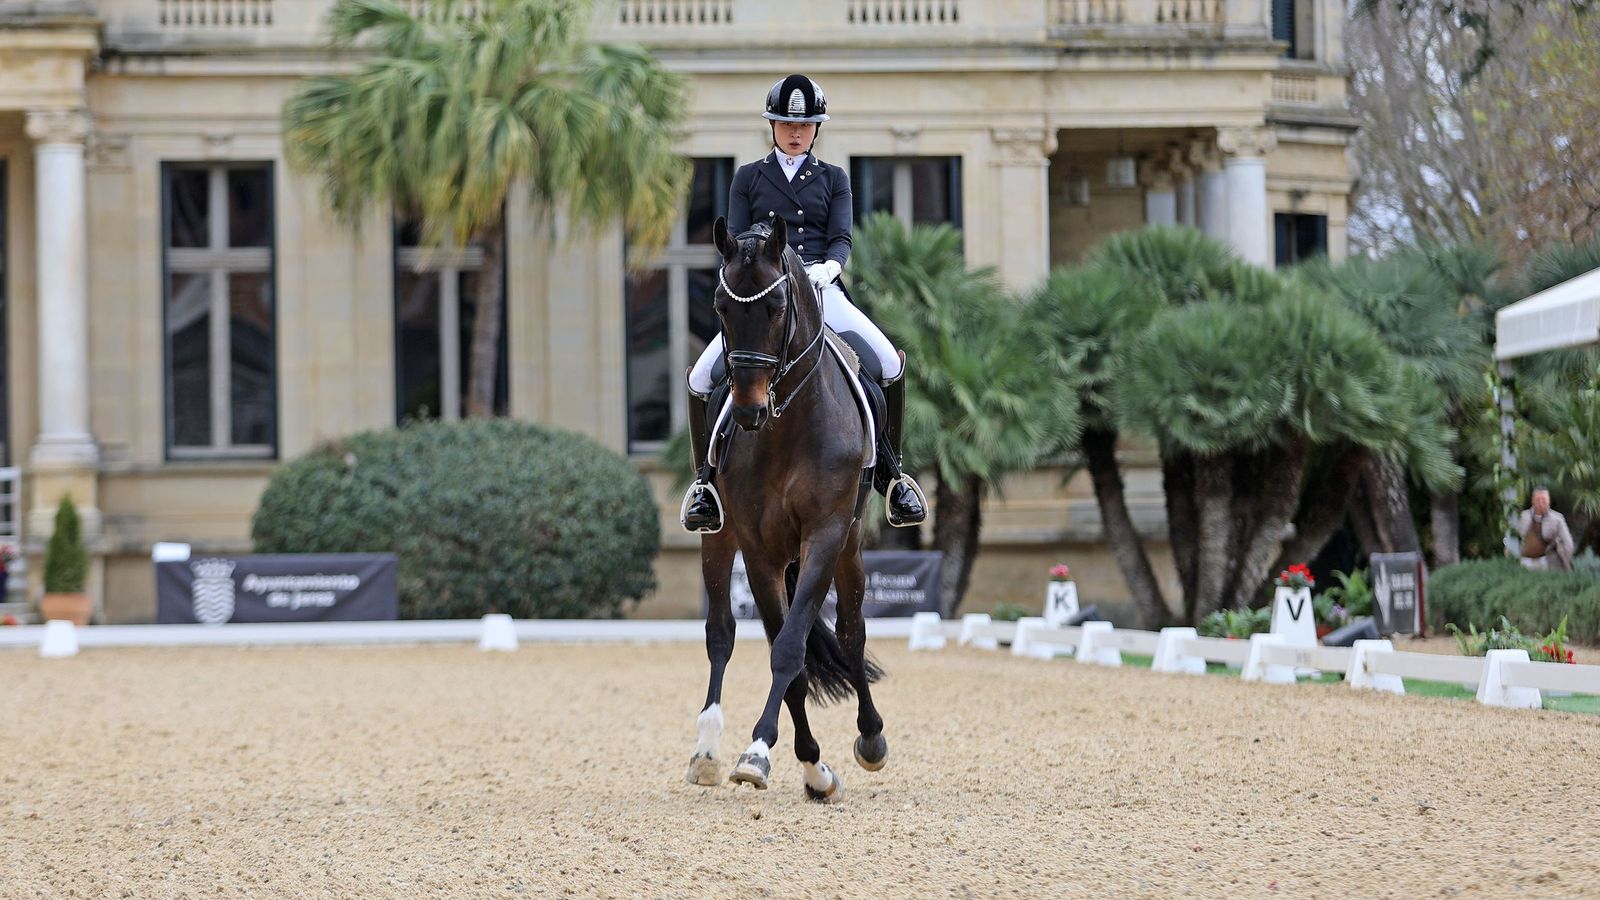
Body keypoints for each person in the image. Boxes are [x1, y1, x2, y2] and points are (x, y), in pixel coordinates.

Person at [680, 74, 926, 535]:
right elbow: (738, 240)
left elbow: (841, 237)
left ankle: (893, 476)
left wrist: (829, 268)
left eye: (805, 125)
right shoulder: (748, 177)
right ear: (773, 125)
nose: (796, 132)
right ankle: (705, 485)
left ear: (816, 129)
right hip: (767, 294)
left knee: (890, 365)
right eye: (787, 124)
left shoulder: (833, 178)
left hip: (819, 288)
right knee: (699, 378)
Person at [1517, 486, 1576, 571]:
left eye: (1544, 500)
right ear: (1532, 501)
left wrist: (1563, 557)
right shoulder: (1525, 516)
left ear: (1549, 501)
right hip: (1526, 561)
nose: (1541, 503)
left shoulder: (1557, 519)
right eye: (1538, 500)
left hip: (1548, 562)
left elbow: (1568, 543)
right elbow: (1521, 534)